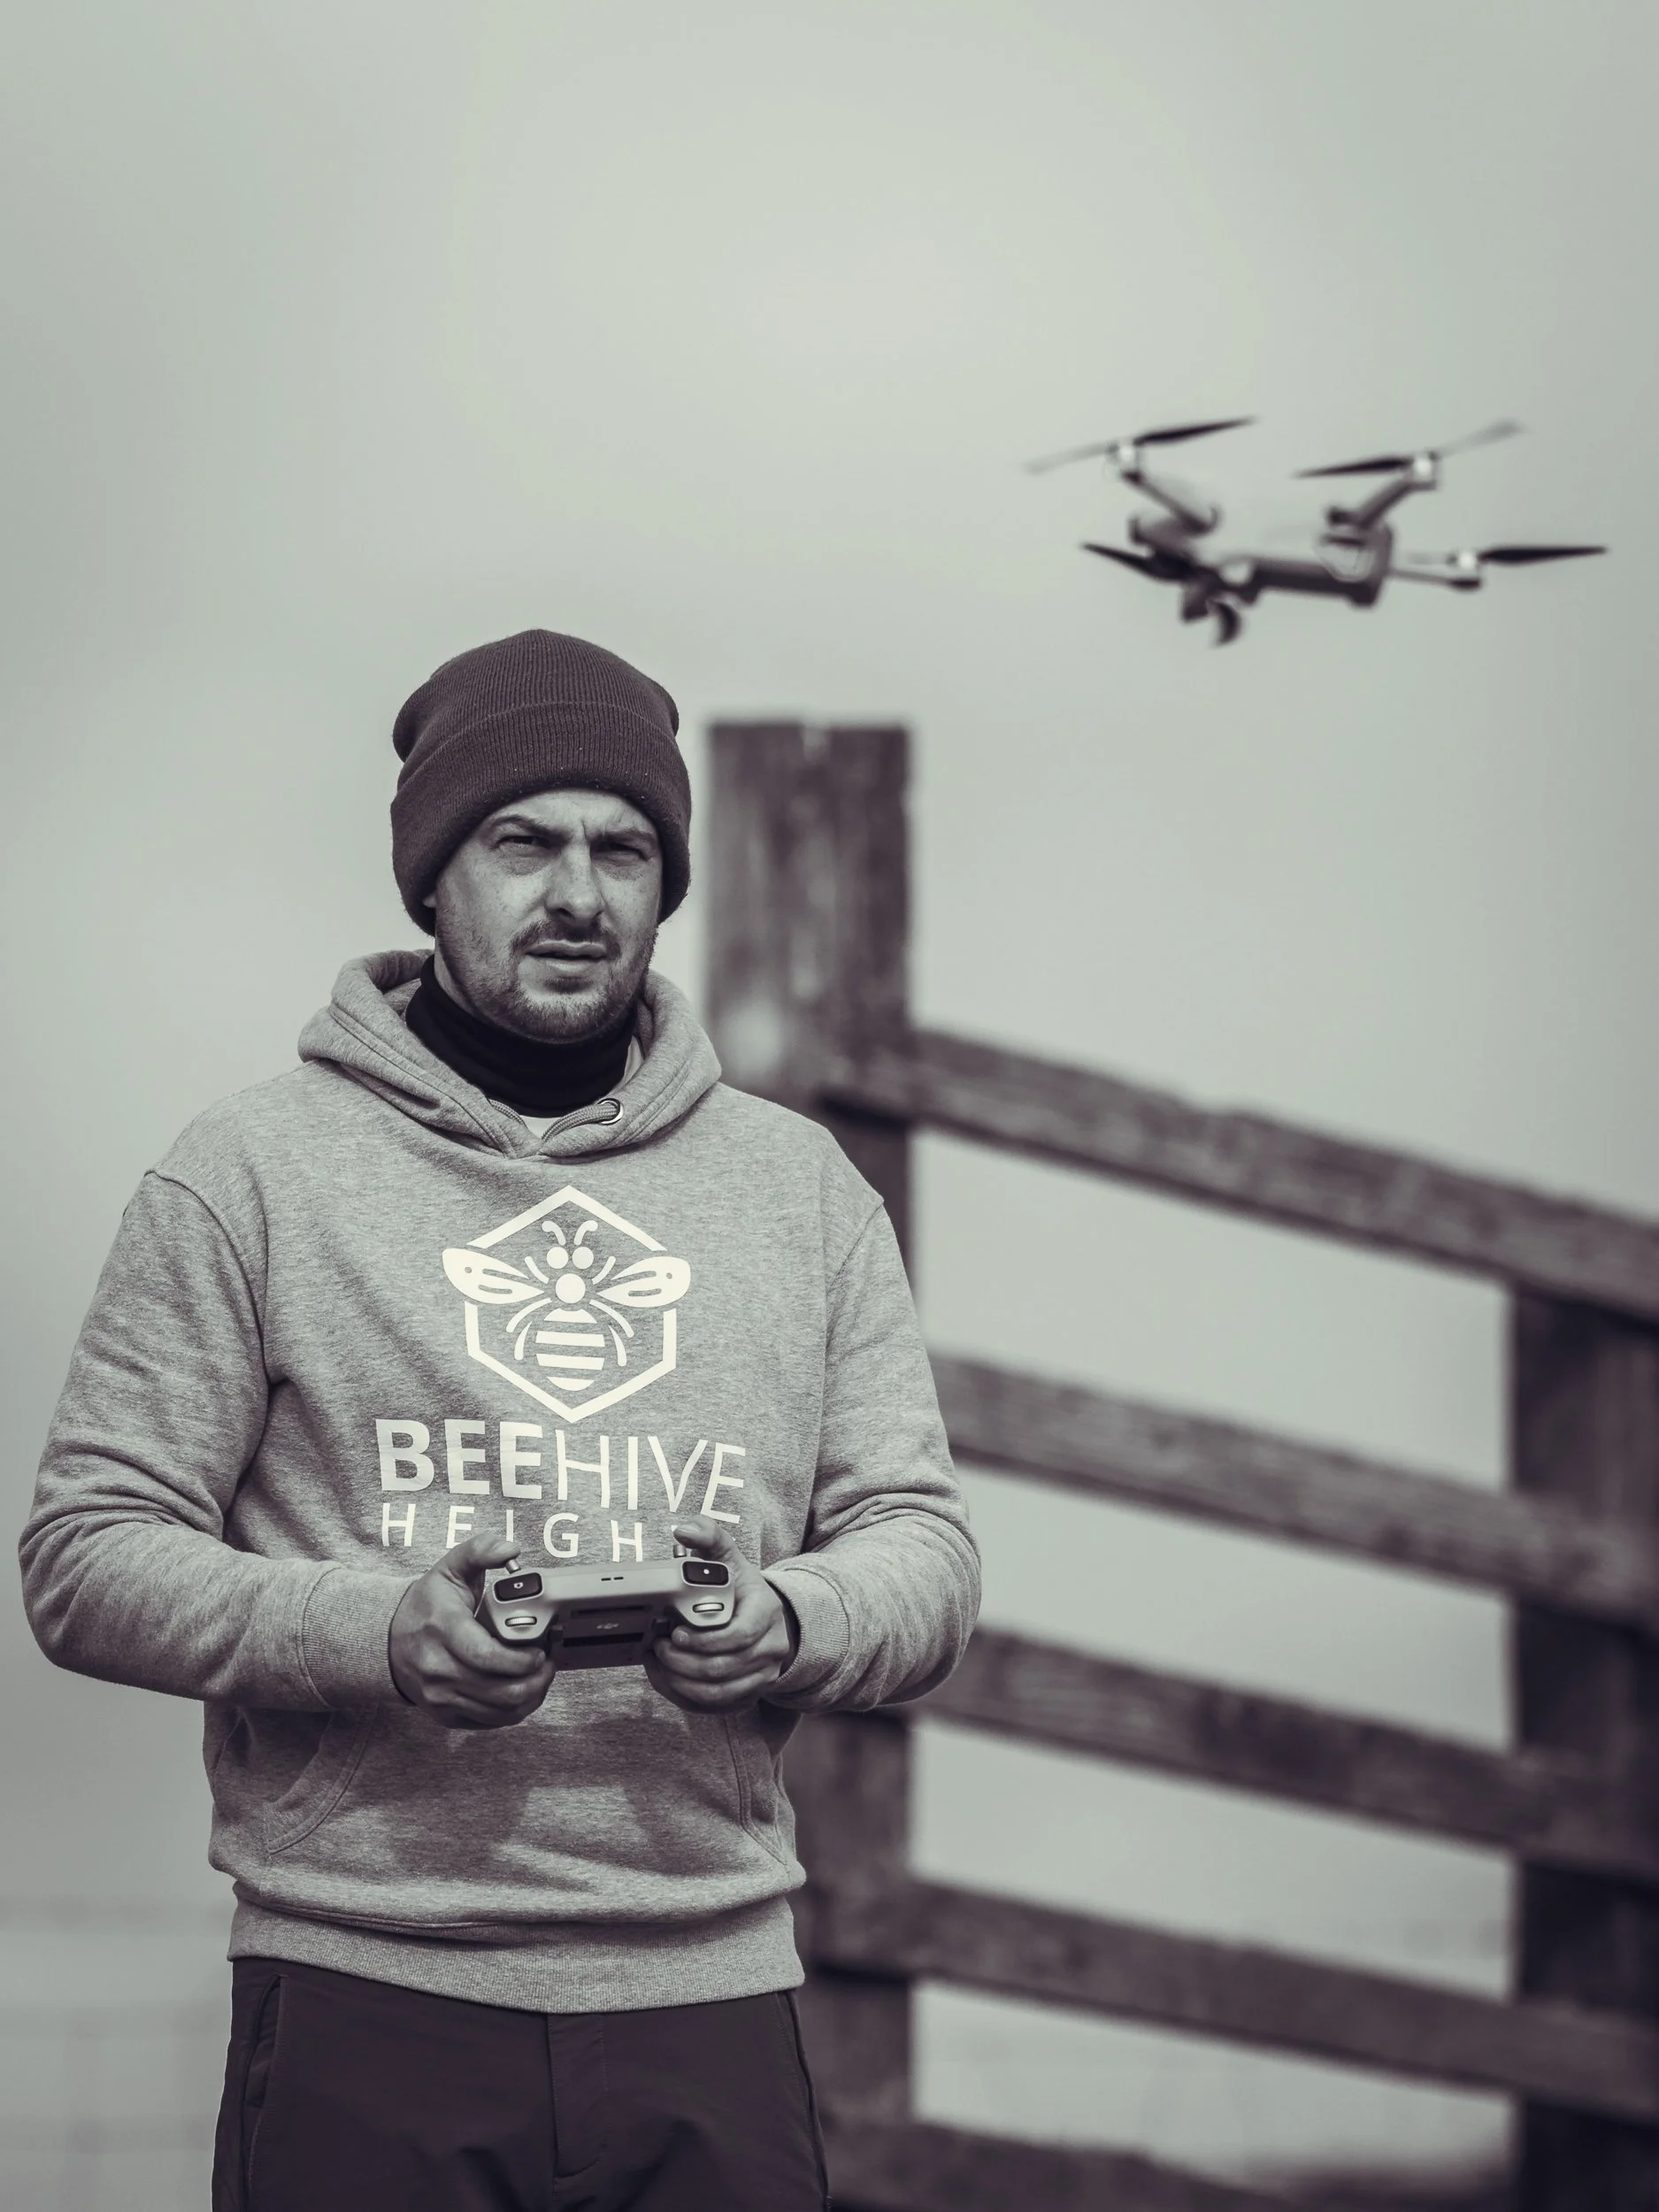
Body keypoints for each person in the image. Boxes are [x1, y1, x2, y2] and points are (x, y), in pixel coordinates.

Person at [20, 628, 979, 2212]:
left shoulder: (798, 1191)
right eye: (521, 842)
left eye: (622, 850)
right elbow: (84, 1556)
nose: (577, 893)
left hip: (710, 1997)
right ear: (430, 878)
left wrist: (792, 1617)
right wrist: (375, 1631)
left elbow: (923, 1551)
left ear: (666, 886)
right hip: (365, 1992)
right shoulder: (249, 1174)